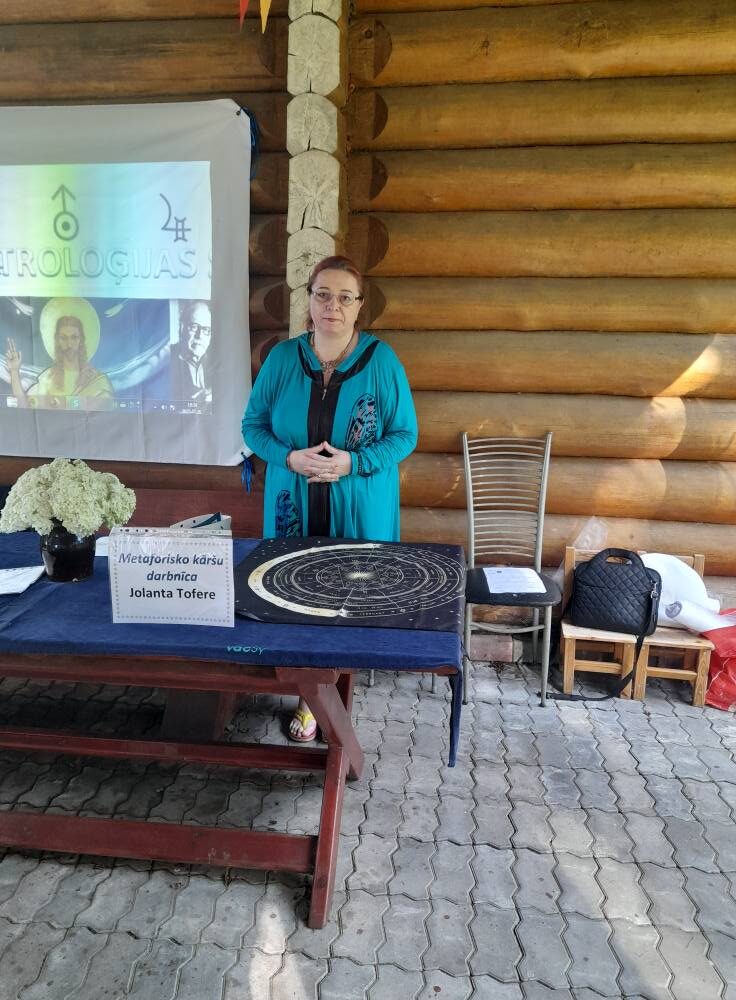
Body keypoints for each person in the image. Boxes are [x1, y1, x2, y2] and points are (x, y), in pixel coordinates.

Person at [242, 255, 418, 741]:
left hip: (358, 505)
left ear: (359, 306)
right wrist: (288, 458)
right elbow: (252, 426)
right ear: (310, 299)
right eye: (323, 294)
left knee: (349, 598)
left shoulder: (382, 362)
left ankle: (330, 696)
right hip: (292, 504)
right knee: (295, 594)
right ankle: (311, 695)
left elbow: (405, 435)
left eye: (344, 297)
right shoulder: (283, 359)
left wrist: (352, 463)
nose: (332, 306)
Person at [5, 307, 113, 410]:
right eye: (63, 338)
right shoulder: (47, 378)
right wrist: (14, 371)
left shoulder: (97, 380)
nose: (69, 344)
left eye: (74, 337)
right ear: (57, 341)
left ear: (81, 340)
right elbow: (24, 405)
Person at [171, 300, 212, 403]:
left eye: (206, 330)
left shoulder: (214, 362)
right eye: (194, 327)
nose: (200, 335)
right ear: (182, 328)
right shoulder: (167, 359)